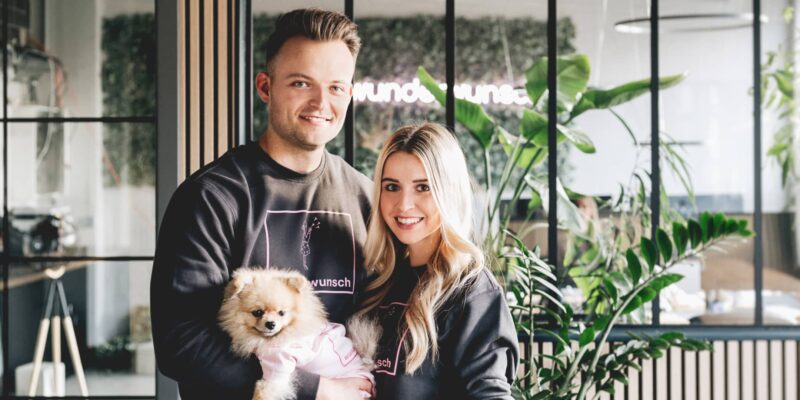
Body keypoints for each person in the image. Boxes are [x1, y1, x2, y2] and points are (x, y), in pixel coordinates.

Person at [151, 8, 373, 400]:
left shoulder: (366, 196)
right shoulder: (211, 198)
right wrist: (316, 391)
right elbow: (180, 342)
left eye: (337, 87)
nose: (321, 101)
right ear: (265, 87)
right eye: (302, 83)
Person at [358, 123, 519, 399]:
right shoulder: (380, 284)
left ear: (449, 192)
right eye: (392, 187)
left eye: (423, 187)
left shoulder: (472, 291)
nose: (404, 204)